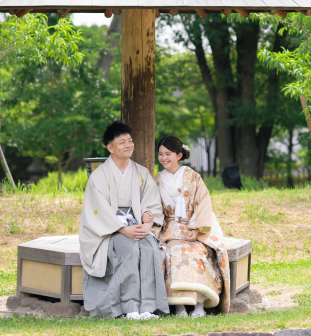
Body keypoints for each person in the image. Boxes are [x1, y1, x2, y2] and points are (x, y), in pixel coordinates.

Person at [78, 122, 169, 319]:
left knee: (151, 249)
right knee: (130, 250)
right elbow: (97, 211)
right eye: (122, 142)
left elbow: (150, 203)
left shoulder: (141, 172)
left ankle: (148, 307)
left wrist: (146, 225)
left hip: (136, 225)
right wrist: (122, 229)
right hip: (111, 229)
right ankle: (129, 308)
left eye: (130, 140)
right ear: (110, 148)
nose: (128, 145)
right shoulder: (99, 176)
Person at [155, 135, 231, 316]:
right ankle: (180, 306)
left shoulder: (193, 177)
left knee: (198, 251)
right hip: (169, 230)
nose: (164, 158)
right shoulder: (156, 180)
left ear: (179, 155)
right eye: (160, 154)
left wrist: (197, 230)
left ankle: (198, 305)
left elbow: (204, 203)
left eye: (168, 154)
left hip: (193, 228)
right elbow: (154, 209)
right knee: (173, 251)